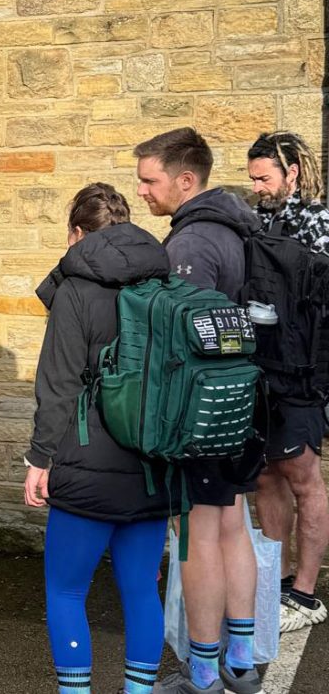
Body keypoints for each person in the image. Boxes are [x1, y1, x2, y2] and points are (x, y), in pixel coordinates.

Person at [25, 183, 175, 694]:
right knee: (141, 591)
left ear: (77, 233)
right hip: (152, 463)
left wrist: (39, 458)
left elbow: (59, 383)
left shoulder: (75, 289)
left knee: (66, 592)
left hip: (85, 463)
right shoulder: (163, 282)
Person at [135, 128, 264, 694]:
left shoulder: (190, 244)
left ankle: (206, 674)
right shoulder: (239, 227)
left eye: (149, 180)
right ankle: (242, 663)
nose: (142, 191)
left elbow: (181, 343)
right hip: (242, 404)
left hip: (201, 413)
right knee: (234, 527)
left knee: (197, 537)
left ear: (185, 180)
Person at [248, 131, 329, 632]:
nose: (256, 187)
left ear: (292, 172)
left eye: (263, 178)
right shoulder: (257, 219)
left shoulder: (319, 223)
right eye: (253, 178)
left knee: (303, 478)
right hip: (261, 371)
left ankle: (305, 594)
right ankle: (276, 583)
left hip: (302, 375)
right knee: (265, 475)